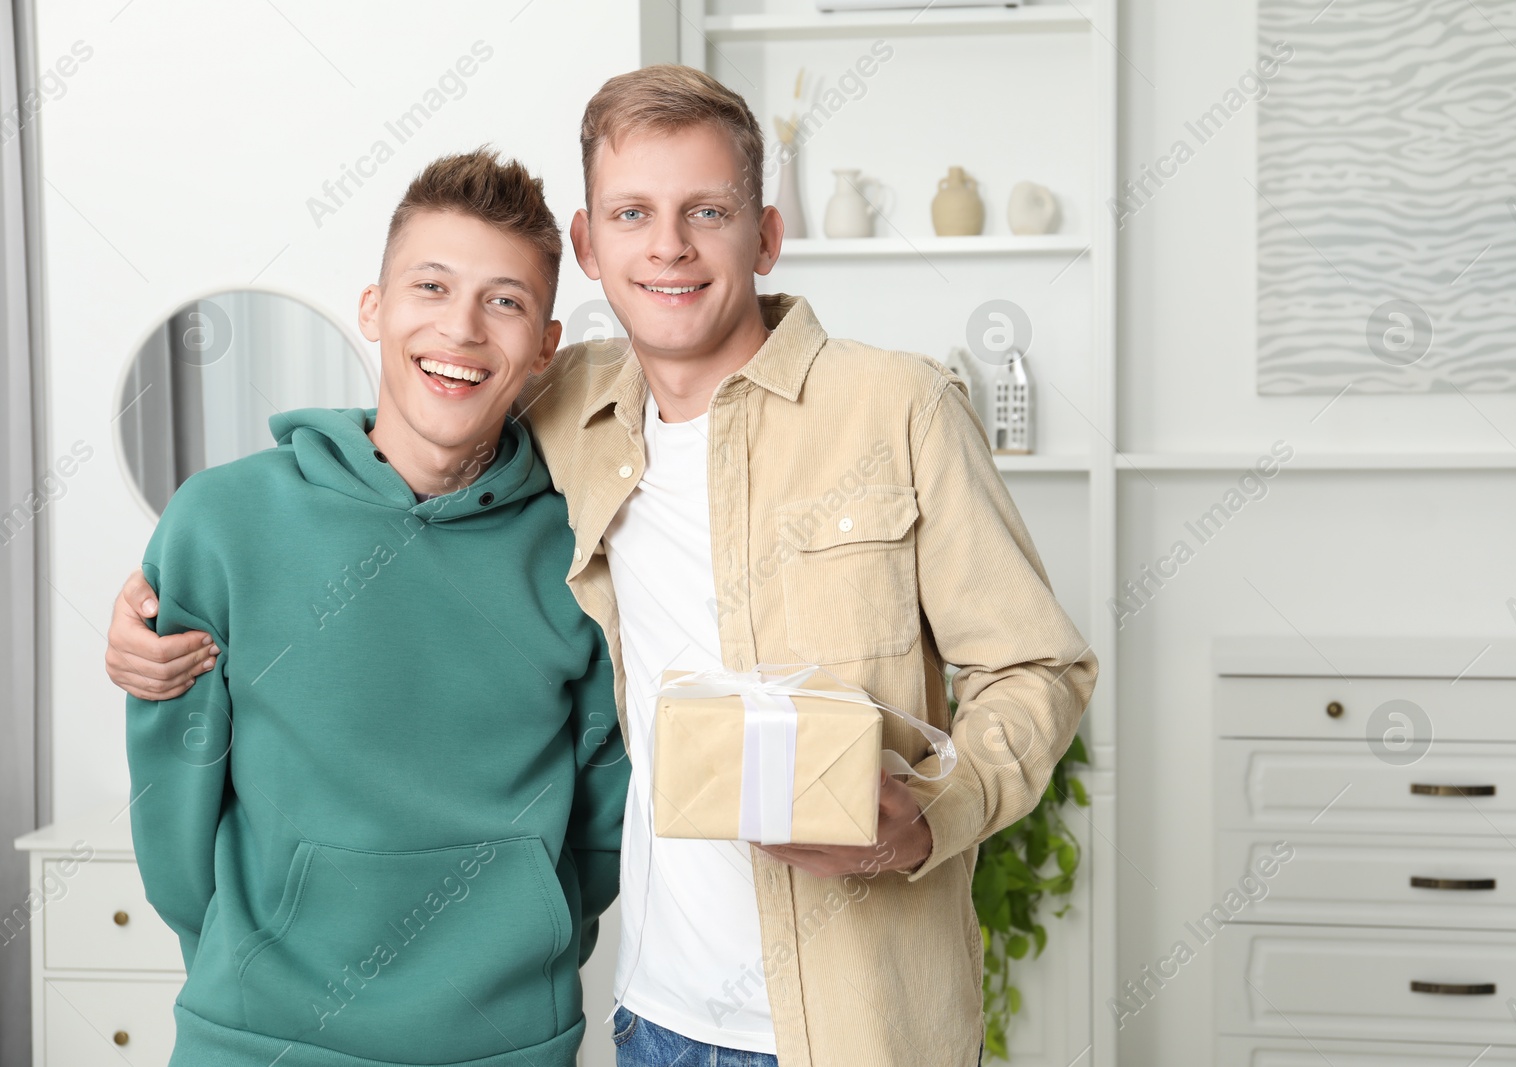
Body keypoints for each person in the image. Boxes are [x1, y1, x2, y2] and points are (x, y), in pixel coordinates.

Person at [108, 66, 1096, 1067]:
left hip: (853, 1024)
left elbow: (1039, 667)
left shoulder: (900, 407)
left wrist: (926, 818)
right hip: (654, 1015)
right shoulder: (572, 413)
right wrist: (149, 624)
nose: (667, 246)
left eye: (705, 211)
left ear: (765, 233)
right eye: (633, 212)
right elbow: (419, 427)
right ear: (590, 245)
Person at [120, 149, 627, 1067]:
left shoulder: (581, 545)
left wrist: (532, 955)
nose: (462, 328)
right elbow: (172, 800)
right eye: (430, 286)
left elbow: (603, 811)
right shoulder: (224, 519)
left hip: (508, 1042)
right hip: (257, 1037)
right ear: (374, 308)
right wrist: (243, 969)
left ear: (546, 345)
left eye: (504, 300)